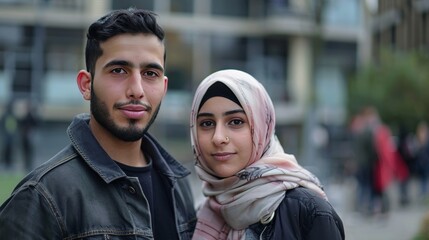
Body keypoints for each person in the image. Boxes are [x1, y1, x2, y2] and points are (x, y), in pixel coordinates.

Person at [0, 8, 196, 239]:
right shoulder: (42, 197)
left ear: (163, 88)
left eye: (150, 73)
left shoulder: (178, 184)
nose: (137, 90)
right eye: (119, 70)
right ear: (86, 85)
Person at [189, 69, 345, 239]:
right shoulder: (197, 213)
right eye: (207, 123)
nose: (218, 138)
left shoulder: (309, 213)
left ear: (262, 128)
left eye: (236, 122)